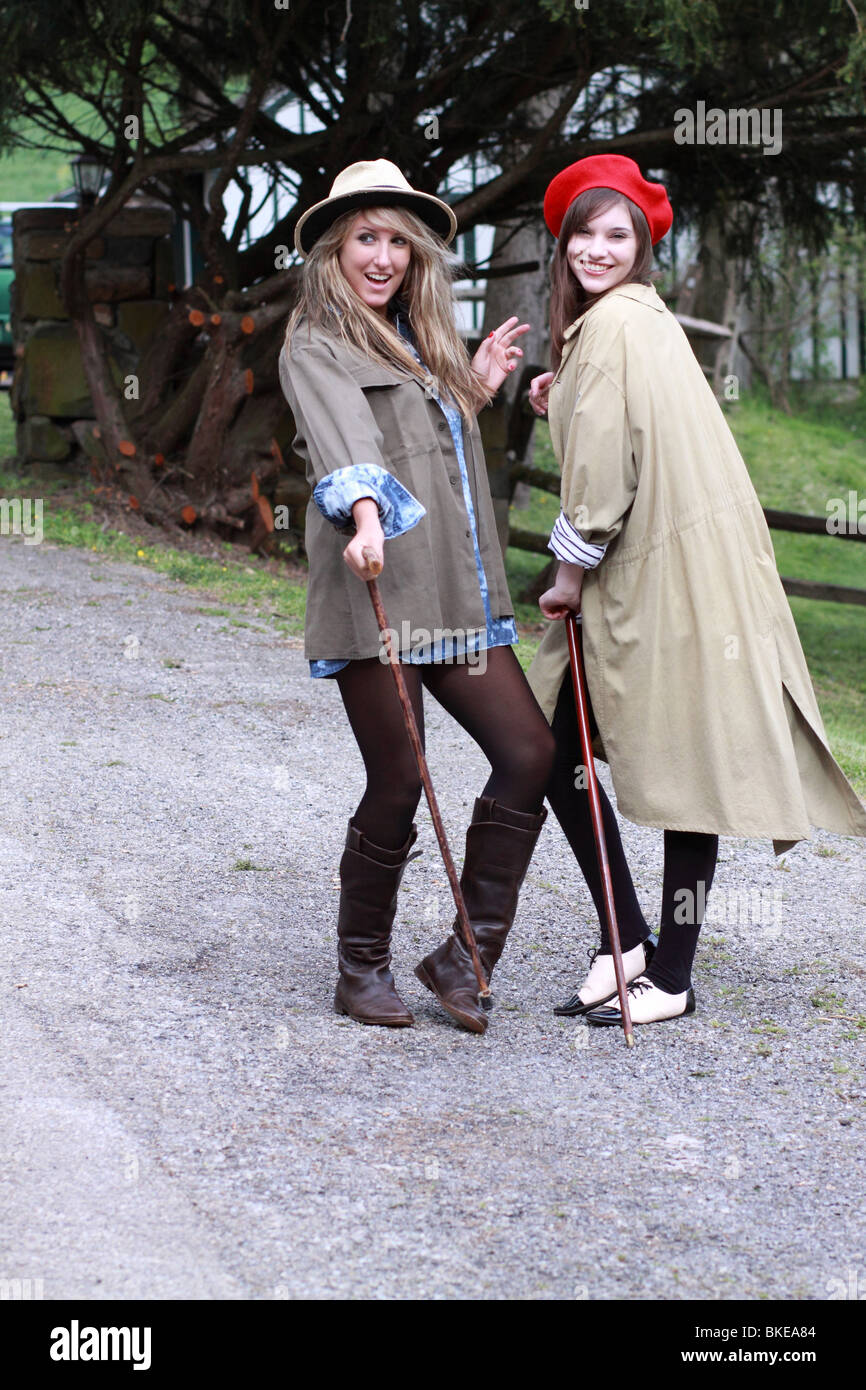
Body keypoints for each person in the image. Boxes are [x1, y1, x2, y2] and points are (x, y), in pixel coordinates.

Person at [527, 154, 866, 1027]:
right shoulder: (636, 322)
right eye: (584, 235)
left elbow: (604, 477)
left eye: (618, 235)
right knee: (560, 751)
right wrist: (558, 395)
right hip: (689, 569)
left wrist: (566, 576)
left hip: (665, 580)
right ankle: (628, 939)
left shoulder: (611, 328)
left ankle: (667, 974)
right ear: (562, 244)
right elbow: (625, 421)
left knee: (678, 760)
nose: (598, 251)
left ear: (641, 245)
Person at [279, 160, 555, 1035]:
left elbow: (419, 445)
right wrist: (365, 515)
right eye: (366, 237)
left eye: (398, 240)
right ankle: (360, 967)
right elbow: (350, 444)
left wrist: (472, 388)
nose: (383, 256)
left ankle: (464, 956)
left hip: (453, 594)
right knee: (399, 778)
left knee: (529, 752)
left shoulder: (416, 337)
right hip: (377, 591)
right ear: (334, 248)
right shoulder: (315, 341)